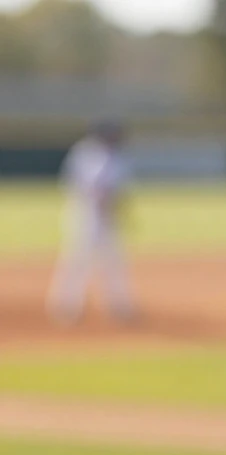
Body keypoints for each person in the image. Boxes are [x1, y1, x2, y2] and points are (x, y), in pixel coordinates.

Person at [49, 121, 136, 323]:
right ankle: (66, 306)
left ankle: (119, 306)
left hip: (105, 215)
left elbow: (117, 191)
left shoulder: (115, 156)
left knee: (113, 261)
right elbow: (94, 188)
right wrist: (110, 210)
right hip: (86, 214)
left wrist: (118, 212)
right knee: (78, 259)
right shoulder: (88, 154)